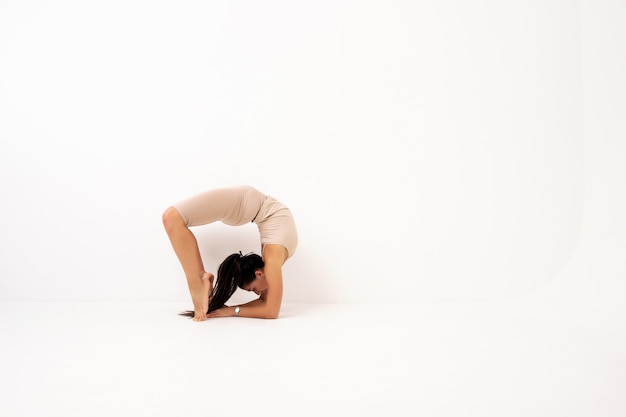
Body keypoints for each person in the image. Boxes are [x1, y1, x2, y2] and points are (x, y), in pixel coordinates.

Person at [162, 185, 298, 321]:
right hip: (246, 203)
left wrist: (229, 310)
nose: (258, 294)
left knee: (172, 218)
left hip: (250, 205)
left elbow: (267, 306)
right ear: (259, 273)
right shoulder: (272, 260)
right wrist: (232, 311)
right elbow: (271, 311)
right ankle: (198, 280)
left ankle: (200, 279)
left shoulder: (271, 261)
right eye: (253, 290)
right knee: (172, 217)